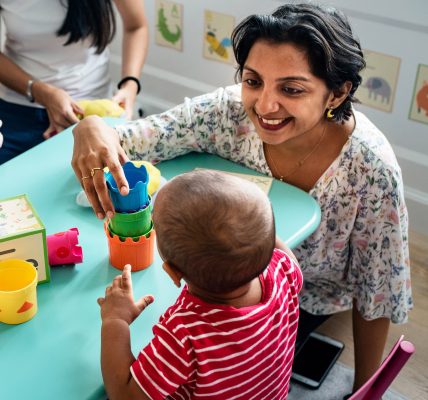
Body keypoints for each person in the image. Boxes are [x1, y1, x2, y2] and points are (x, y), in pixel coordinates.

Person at [72, 3, 412, 395]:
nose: (265, 106)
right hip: (217, 278)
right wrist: (92, 126)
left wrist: (365, 388)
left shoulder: (371, 170)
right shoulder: (225, 113)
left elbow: (378, 292)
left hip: (304, 301)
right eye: (253, 81)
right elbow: (133, 139)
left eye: (291, 89)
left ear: (337, 93)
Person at [98, 169, 302, 400]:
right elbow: (275, 249)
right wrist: (251, 228)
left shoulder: (185, 333)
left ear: (174, 274)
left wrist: (115, 320)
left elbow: (125, 395)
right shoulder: (284, 269)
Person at [0, 0, 148, 164]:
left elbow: (136, 26)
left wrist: (130, 84)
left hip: (93, 109)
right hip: (18, 109)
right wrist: (40, 92)